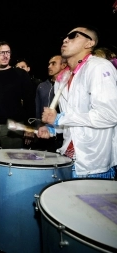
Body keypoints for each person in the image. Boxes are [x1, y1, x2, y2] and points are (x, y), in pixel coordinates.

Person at [38, 26, 117, 179]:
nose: (65, 39)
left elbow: (110, 115)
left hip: (94, 165)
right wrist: (54, 128)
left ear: (89, 43)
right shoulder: (63, 78)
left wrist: (61, 118)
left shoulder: (99, 68)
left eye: (74, 36)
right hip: (68, 159)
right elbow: (73, 120)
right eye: (65, 36)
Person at [0, 41, 35, 151]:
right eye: (1, 52)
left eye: (8, 52)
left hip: (13, 127)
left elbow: (30, 102)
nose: (5, 55)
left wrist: (29, 127)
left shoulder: (21, 74)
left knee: (13, 162)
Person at [34, 55, 66, 152]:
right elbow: (37, 109)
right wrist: (37, 126)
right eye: (49, 64)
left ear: (63, 65)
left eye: (53, 63)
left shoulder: (68, 86)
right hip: (44, 132)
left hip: (62, 134)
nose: (49, 66)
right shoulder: (42, 86)